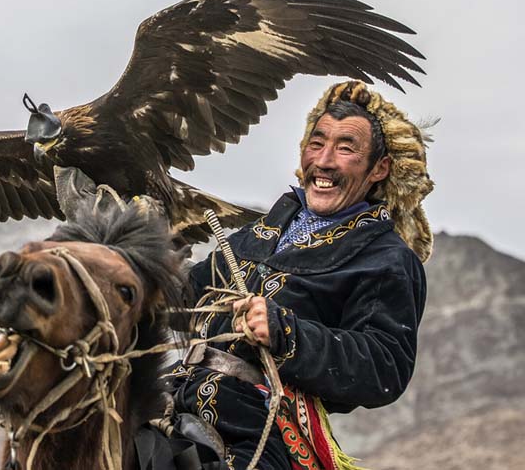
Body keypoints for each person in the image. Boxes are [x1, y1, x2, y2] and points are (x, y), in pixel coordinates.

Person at [169, 81, 433, 470]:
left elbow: (384, 366)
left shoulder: (386, 259)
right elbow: (184, 299)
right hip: (174, 398)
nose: (324, 161)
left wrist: (286, 332)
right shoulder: (260, 233)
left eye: (345, 148)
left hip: (262, 430)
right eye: (316, 143)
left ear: (380, 168)